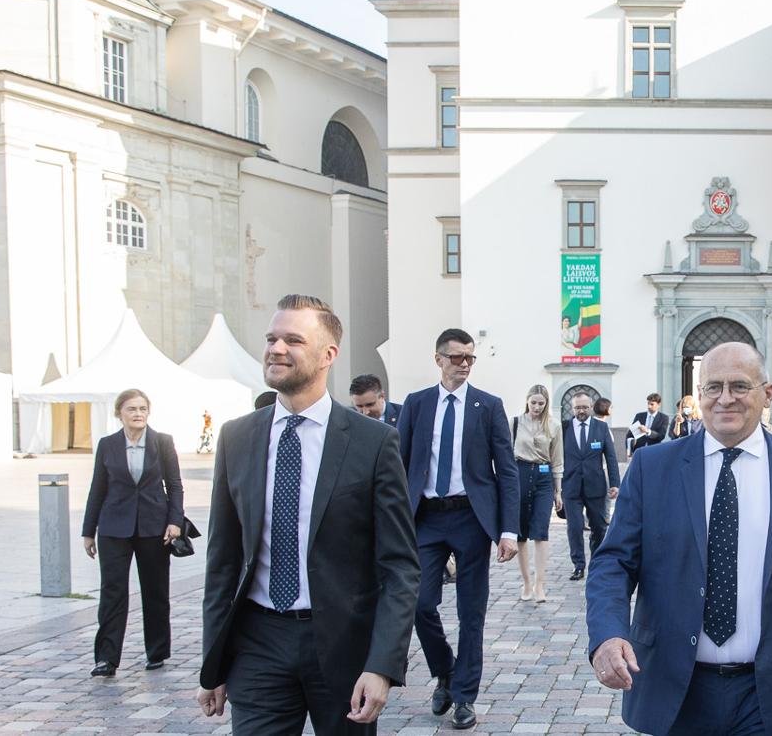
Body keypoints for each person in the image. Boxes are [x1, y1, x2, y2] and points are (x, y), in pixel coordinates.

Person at [585, 342, 772, 736]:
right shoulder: (653, 468)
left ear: (767, 394)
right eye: (713, 387)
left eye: (739, 386)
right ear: (699, 395)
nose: (725, 399)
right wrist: (608, 634)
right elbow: (613, 563)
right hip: (676, 687)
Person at [195, 294, 418, 735]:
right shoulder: (237, 438)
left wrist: (382, 665)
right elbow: (222, 561)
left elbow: (400, 567)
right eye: (272, 338)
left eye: (293, 340)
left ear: (328, 354)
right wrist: (213, 663)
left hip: (342, 646)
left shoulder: (373, 443)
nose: (276, 349)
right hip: (257, 643)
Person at [394, 328, 520, 730]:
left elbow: (508, 471)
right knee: (419, 604)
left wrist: (508, 530)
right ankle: (445, 670)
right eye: (456, 358)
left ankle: (464, 697)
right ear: (438, 359)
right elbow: (398, 466)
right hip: (426, 518)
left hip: (471, 519)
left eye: (470, 358)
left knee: (472, 613)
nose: (463, 364)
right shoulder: (416, 404)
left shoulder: (489, 406)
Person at [82, 388, 184, 678]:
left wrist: (174, 520)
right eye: (131, 409)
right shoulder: (107, 445)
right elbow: (97, 489)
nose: (138, 414)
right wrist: (88, 531)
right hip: (114, 527)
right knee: (112, 592)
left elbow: (174, 485)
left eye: (142, 409)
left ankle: (157, 652)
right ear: (119, 414)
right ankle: (106, 658)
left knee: (155, 591)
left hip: (154, 527)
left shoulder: (162, 443)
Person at [561, 392, 621, 581]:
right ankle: (578, 565)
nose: (581, 411)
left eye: (585, 407)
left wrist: (615, 484)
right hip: (571, 487)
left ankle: (596, 562)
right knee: (575, 527)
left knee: (599, 527)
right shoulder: (563, 428)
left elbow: (611, 457)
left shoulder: (601, 428)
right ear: (572, 408)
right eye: (578, 407)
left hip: (596, 486)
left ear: (591, 407)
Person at [512, 385, 560, 603]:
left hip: (543, 475)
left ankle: (540, 584)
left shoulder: (553, 425)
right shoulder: (515, 423)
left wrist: (558, 490)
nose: (537, 407)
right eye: (534, 402)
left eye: (541, 403)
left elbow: (557, 459)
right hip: (519, 473)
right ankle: (526, 582)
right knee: (520, 534)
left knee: (541, 531)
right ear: (527, 401)